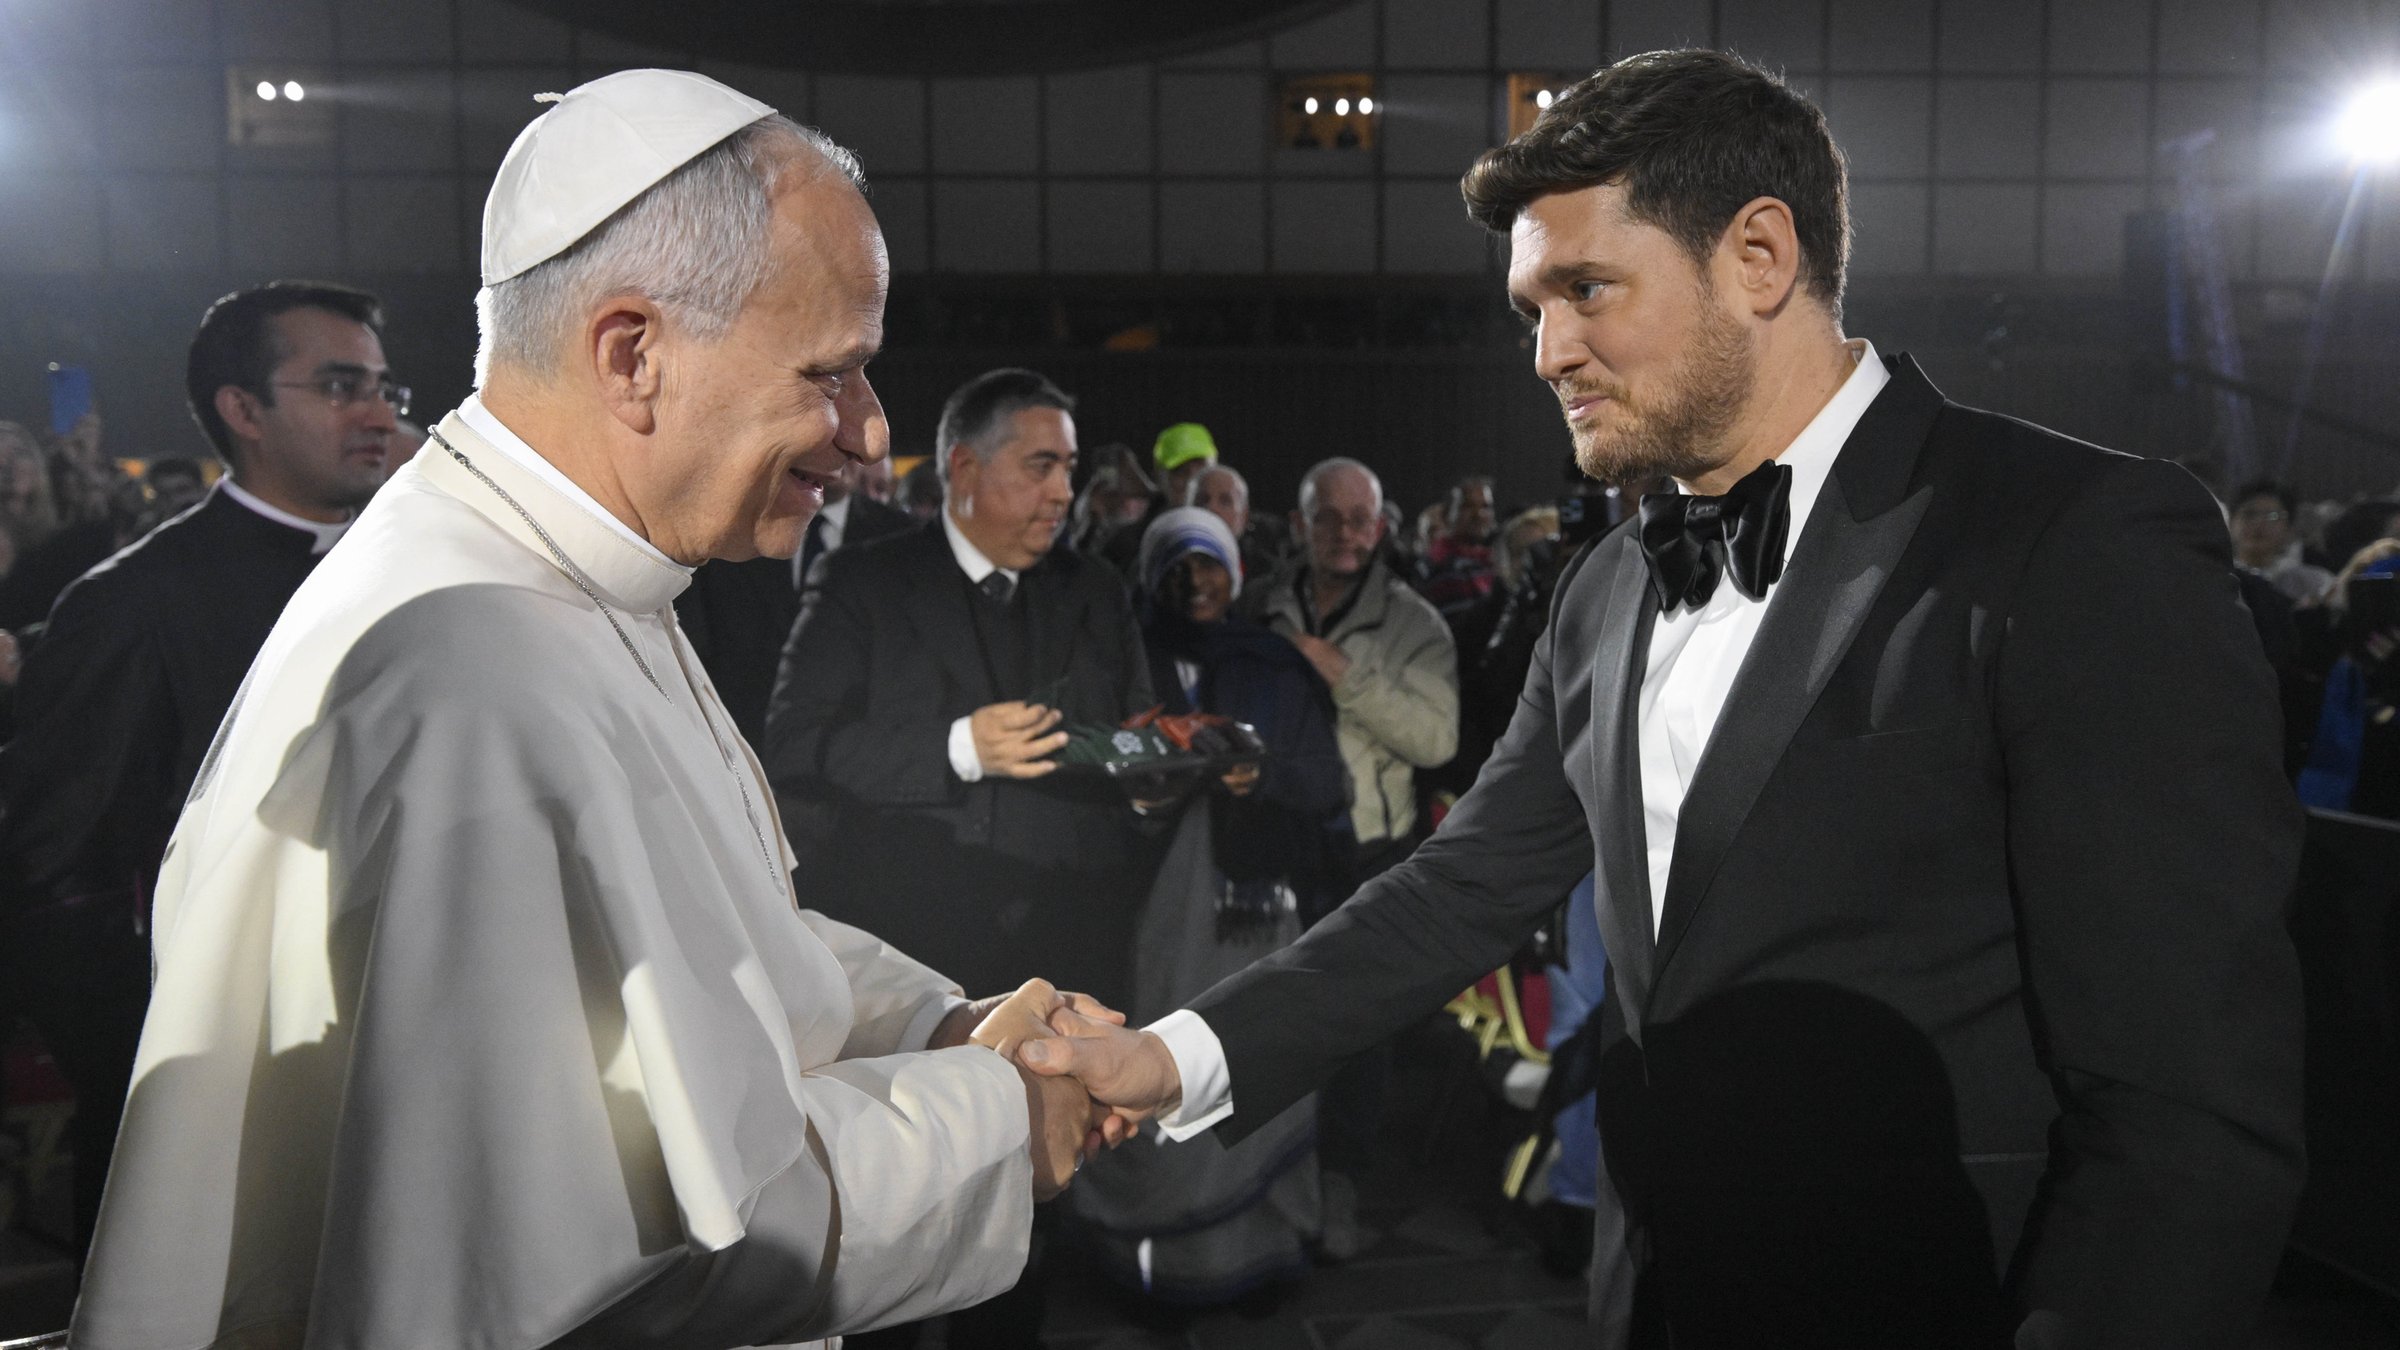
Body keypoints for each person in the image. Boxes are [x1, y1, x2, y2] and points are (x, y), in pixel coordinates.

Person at [1026, 50, 2304, 1350]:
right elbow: (1456, 888)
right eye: (1531, 307)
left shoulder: (2074, 540)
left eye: (1585, 290)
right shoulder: (1605, 586)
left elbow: (2188, 1108)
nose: (1546, 351)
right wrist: (1176, 1053)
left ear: (1758, 257)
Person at [67, 71, 1109, 1350]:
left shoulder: (573, 575)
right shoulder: (472, 674)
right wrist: (999, 1113)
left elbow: (694, 926)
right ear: (633, 354)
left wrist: (935, 1021)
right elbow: (643, 1248)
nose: (865, 434)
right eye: (833, 373)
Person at [0, 280, 400, 1260]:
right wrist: (166, 1069)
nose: (378, 413)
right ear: (243, 410)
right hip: (209, 1115)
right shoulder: (136, 603)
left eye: (386, 388)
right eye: (340, 385)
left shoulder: (416, 572)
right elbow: (47, 875)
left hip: (396, 1082)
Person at [763, 366, 1155, 1347]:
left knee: (1025, 1226)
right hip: (910, 955)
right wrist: (955, 749)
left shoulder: (1097, 587)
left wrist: (1171, 768)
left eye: (1069, 467)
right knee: (895, 1229)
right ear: (964, 472)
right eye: (1041, 466)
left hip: (1063, 945)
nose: (1066, 491)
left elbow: (1134, 730)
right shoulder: (864, 581)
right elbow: (796, 743)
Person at [1070, 507, 1349, 1308]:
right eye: (1179, 568)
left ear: (1236, 574)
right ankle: (1168, 1263)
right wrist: (1149, 775)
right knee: (1166, 1065)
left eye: (1212, 567)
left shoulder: (1271, 660)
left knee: (1264, 1059)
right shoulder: (1127, 653)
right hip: (1156, 907)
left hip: (1258, 907)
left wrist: (1253, 776)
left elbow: (1323, 780)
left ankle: (1263, 1253)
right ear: (1152, 576)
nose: (1196, 585)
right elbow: (1092, 755)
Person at [1240, 455, 1456, 1250]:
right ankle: (1269, 1185)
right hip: (1277, 845)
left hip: (1368, 852)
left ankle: (1340, 1184)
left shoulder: (1414, 623)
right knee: (1274, 1018)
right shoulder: (1263, 606)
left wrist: (1345, 677)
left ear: (1382, 524)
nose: (1345, 534)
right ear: (1299, 523)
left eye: (1360, 518)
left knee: (1360, 1028)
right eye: (1327, 517)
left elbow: (1439, 736)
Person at [677, 458, 911, 746]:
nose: (844, 447)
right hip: (740, 751)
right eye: (827, 419)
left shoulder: (906, 542)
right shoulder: (725, 529)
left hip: (867, 764)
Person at [2228, 479, 2332, 605]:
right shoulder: (2218, 579)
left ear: (2289, 530)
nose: (2259, 523)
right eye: (2250, 514)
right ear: (2231, 524)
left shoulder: (2314, 582)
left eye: (2273, 516)